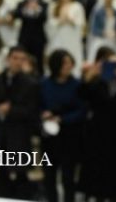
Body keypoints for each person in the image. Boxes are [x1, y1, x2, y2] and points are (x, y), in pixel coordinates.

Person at [78, 47, 116, 201]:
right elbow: (82, 97)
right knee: (97, 167)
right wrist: (90, 76)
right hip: (98, 131)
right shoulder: (96, 81)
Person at [0, 45, 40, 200]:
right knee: (1, 173)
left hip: (19, 135)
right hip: (0, 134)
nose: (18, 62)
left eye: (22, 59)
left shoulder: (30, 84)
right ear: (8, 59)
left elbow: (31, 111)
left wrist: (10, 110)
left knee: (21, 174)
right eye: (15, 58)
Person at [41, 49, 85, 202]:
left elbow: (81, 110)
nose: (68, 66)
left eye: (70, 62)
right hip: (49, 135)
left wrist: (62, 119)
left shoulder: (77, 85)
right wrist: (45, 115)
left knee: (68, 176)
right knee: (49, 176)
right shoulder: (44, 84)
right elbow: (38, 105)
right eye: (64, 63)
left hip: (70, 136)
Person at [46, 0, 85, 77]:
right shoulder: (53, 6)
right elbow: (49, 24)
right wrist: (60, 21)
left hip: (72, 40)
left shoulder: (77, 6)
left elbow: (81, 24)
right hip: (57, 39)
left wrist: (70, 21)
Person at [15, 0, 48, 75]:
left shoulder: (44, 4)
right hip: (24, 37)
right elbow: (17, 14)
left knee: (39, 61)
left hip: (38, 37)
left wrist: (36, 9)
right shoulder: (21, 4)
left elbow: (44, 17)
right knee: (23, 59)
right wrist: (27, 9)